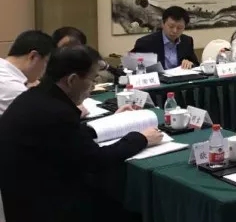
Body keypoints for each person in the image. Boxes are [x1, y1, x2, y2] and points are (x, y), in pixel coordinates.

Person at [0, 45, 163, 221]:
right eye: (93, 79)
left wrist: (111, 121)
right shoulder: (57, 112)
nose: (92, 87)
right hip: (46, 206)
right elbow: (95, 159)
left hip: (24, 195)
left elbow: (66, 137)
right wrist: (141, 138)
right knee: (130, 210)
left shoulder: (36, 96)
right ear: (72, 80)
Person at [0, 30, 55, 116]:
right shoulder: (15, 90)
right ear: (33, 57)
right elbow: (46, 115)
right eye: (46, 62)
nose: (45, 69)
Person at [131, 6, 199, 69]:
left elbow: (196, 64)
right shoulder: (145, 43)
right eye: (171, 26)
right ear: (162, 24)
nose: (175, 31)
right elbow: (132, 67)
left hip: (181, 77)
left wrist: (190, 64)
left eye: (179, 28)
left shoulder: (187, 41)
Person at [52, 27, 118, 84]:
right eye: (66, 46)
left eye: (76, 46)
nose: (71, 50)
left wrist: (105, 67)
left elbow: (113, 76)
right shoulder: (50, 67)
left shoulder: (88, 60)